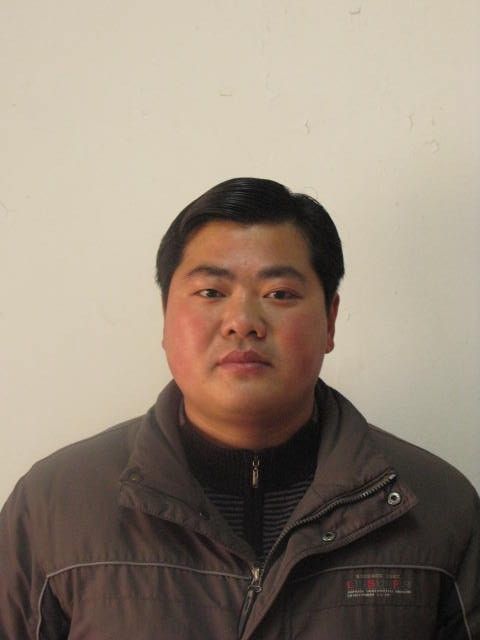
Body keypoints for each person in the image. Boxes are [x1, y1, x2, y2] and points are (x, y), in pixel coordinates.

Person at [1, 177, 479, 639]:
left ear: (330, 321)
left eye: (280, 294)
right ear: (166, 318)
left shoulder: (440, 509)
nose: (243, 322)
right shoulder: (52, 508)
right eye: (211, 292)